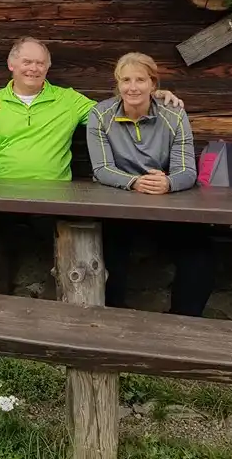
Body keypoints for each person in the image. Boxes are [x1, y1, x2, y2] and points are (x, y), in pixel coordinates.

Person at [0, 37, 184, 292]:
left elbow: (110, 115)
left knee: (71, 239)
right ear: (11, 65)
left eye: (40, 63)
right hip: (0, 191)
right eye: (27, 61)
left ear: (47, 68)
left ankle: (58, 306)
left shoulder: (68, 100)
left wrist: (154, 97)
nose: (33, 68)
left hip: (53, 196)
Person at [87, 52, 214, 317]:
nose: (132, 87)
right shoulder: (100, 115)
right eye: (126, 80)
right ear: (118, 83)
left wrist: (168, 182)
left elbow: (187, 170)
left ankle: (184, 320)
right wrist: (134, 182)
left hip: (164, 204)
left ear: (153, 84)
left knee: (199, 250)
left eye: (140, 80)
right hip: (119, 204)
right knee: (108, 249)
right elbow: (101, 169)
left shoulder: (175, 115)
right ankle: (111, 317)